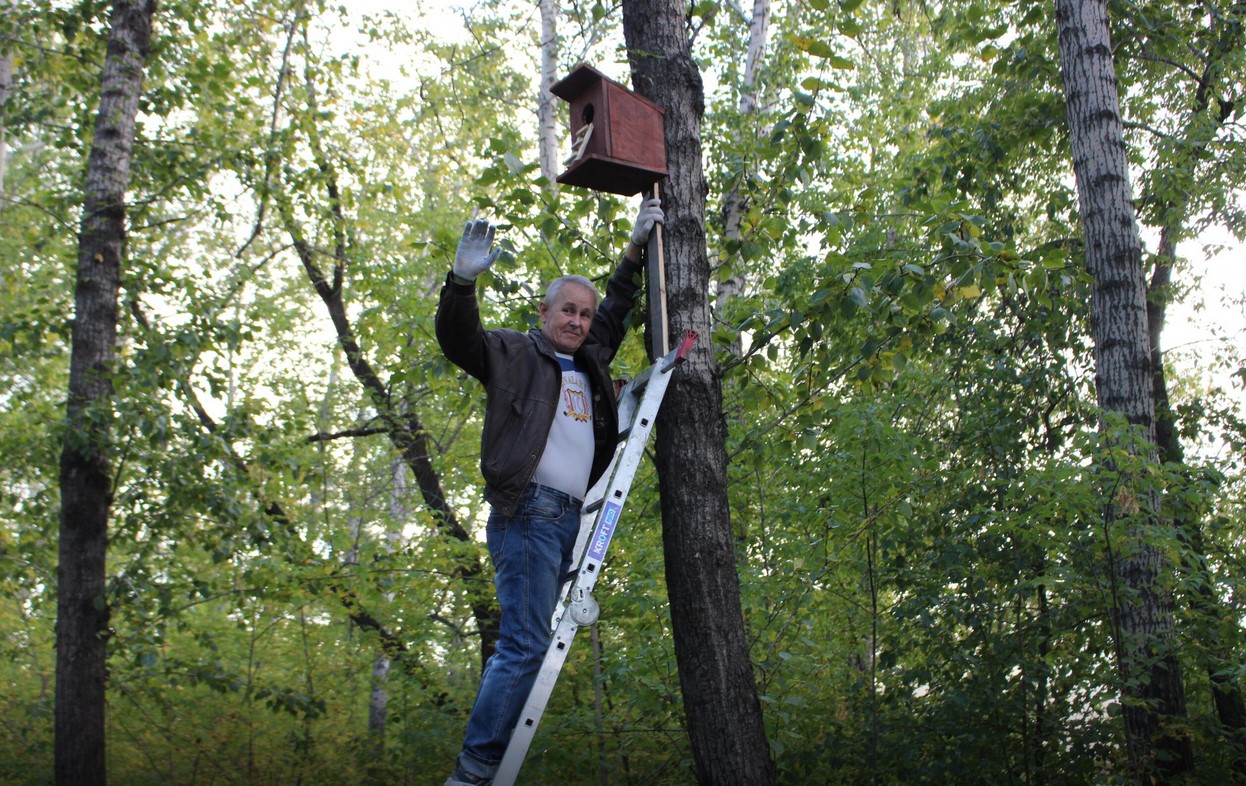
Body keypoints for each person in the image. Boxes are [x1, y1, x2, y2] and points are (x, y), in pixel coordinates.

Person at [436, 196, 664, 786]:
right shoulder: (515, 352)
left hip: (566, 517)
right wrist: (461, 282)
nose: (579, 322)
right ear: (544, 312)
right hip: (529, 513)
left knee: (530, 642)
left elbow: (616, 308)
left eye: (584, 316)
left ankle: (483, 758)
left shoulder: (589, 361)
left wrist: (636, 250)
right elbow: (460, 341)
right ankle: (475, 767)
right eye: (568, 311)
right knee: (524, 644)